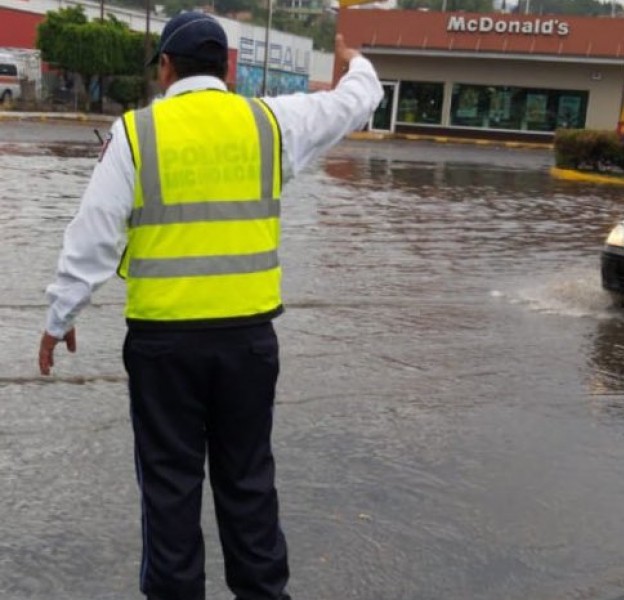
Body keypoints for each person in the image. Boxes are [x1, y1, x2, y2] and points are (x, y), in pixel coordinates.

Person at [37, 11, 383, 600]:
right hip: (247, 343)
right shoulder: (270, 122)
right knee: (248, 483)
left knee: (170, 489)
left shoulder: (137, 132)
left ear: (166, 68)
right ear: (226, 66)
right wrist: (354, 62)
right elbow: (359, 100)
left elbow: (94, 232)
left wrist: (60, 317)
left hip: (163, 347)